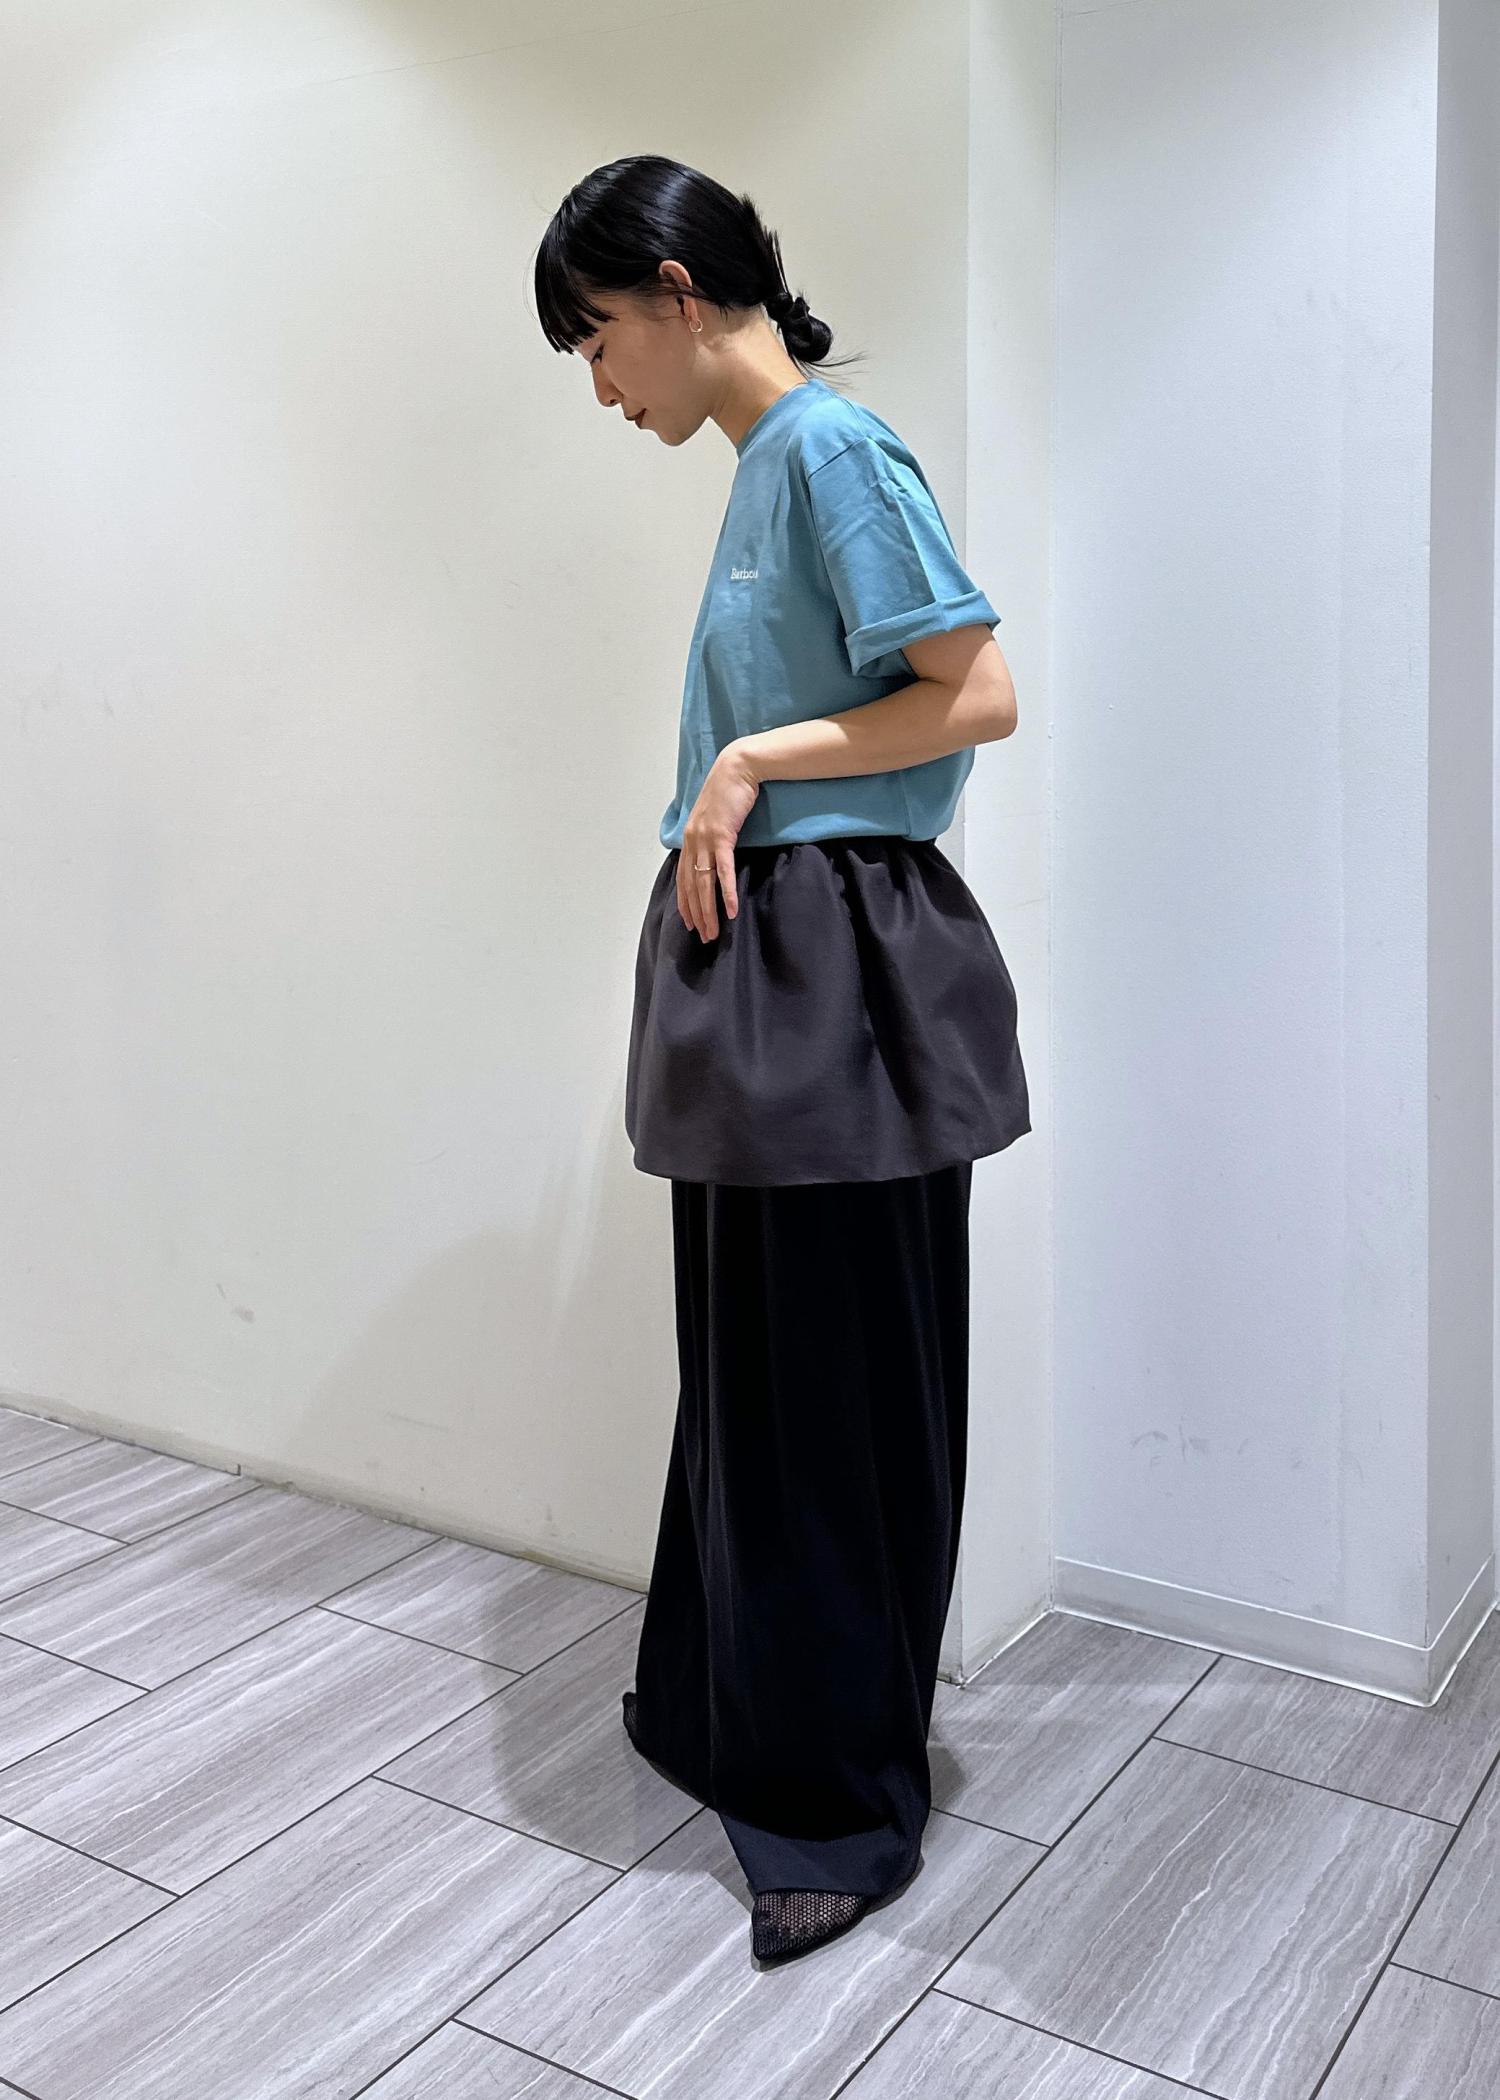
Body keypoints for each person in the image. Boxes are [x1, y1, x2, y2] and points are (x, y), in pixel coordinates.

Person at [533, 155, 1031, 1968]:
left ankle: (833, 1805)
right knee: (754, 1376)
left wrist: (748, 767)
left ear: (677, 291)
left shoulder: (828, 450)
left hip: (837, 984)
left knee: (826, 1387)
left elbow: (974, 689)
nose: (601, 385)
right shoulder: (764, 469)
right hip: (772, 983)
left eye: (598, 338)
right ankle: (732, 1708)